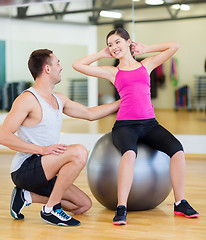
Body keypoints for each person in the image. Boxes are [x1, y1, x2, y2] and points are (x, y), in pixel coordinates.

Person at [72, 28, 199, 225]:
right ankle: (121, 207)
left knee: (178, 150)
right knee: (130, 154)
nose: (113, 47)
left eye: (117, 42)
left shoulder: (146, 65)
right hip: (125, 126)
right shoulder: (113, 72)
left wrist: (148, 48)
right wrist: (100, 54)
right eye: (110, 44)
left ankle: (180, 202)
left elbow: (175, 45)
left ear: (128, 42)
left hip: (150, 124)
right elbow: (77, 65)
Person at [0, 49, 120, 227]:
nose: (61, 68)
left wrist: (124, 101)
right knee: (79, 152)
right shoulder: (27, 99)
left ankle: (25, 196)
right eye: (58, 63)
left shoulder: (59, 99)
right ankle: (50, 209)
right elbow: (3, 135)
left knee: (82, 205)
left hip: (46, 168)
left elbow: (89, 113)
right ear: (47, 69)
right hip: (26, 169)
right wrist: (41, 150)